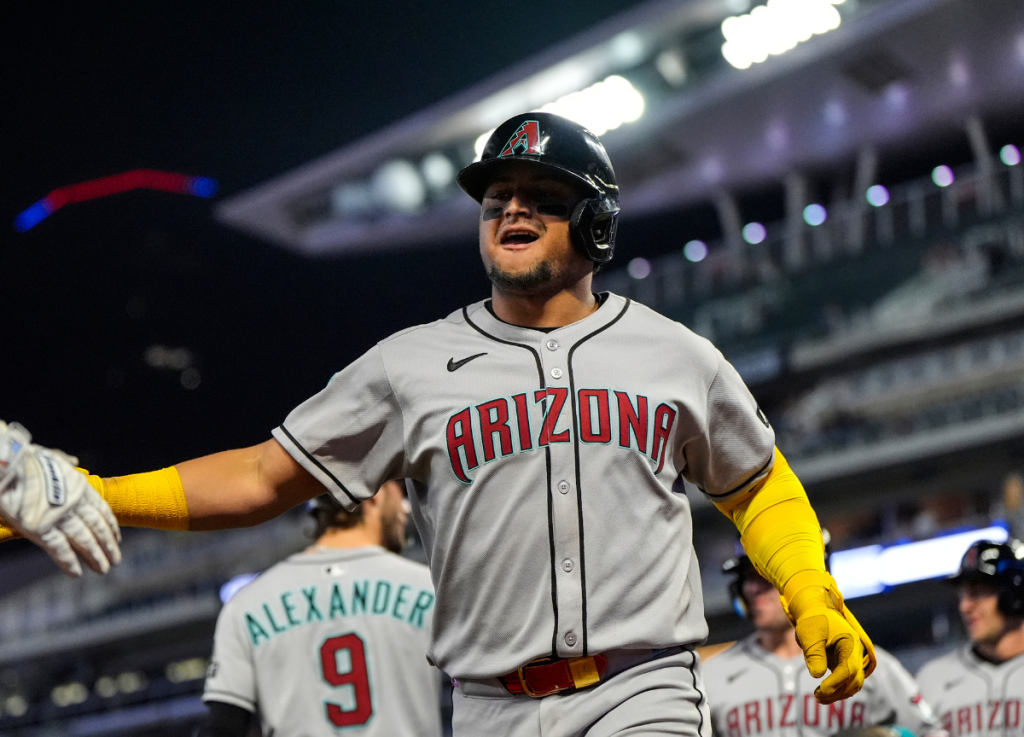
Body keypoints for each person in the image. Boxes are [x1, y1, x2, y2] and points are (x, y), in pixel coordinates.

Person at [0, 112, 875, 737]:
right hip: (488, 707)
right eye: (497, 197)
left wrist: (808, 588)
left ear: (598, 222)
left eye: (541, 195)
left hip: (639, 692)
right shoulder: (409, 364)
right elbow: (265, 477)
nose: (511, 209)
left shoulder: (674, 353)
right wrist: (97, 492)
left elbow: (756, 482)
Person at [196, 480, 442, 736]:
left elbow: (223, 727)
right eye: (398, 490)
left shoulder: (246, 604)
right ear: (373, 494)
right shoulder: (428, 586)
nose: (406, 507)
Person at [705, 538, 941, 737]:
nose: (751, 588)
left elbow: (930, 733)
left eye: (763, 575)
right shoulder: (712, 675)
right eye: (746, 577)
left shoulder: (866, 662)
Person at [916, 540, 1024, 737]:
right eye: (963, 595)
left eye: (977, 593)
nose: (965, 607)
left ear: (1014, 595)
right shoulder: (931, 679)